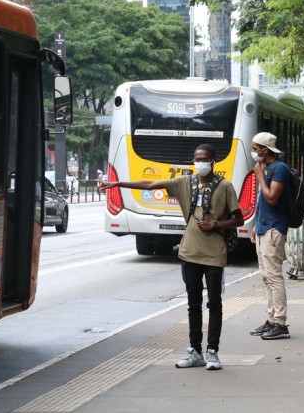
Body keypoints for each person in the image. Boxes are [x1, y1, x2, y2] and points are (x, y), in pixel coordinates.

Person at [99, 144, 243, 370]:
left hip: (214, 254)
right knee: (193, 305)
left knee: (214, 304)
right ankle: (195, 351)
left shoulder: (225, 187)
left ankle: (212, 352)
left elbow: (239, 219)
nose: (200, 163)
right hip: (189, 253)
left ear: (213, 161)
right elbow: (148, 184)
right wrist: (117, 184)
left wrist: (215, 224)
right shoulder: (185, 182)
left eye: (204, 159)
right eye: (197, 159)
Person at [248, 132, 293, 340]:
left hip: (274, 228)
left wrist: (259, 176)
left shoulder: (279, 169)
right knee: (266, 278)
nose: (253, 152)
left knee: (274, 277)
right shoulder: (265, 168)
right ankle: (272, 319)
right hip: (263, 227)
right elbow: (261, 202)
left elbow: (272, 199)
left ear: (265, 150)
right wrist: (255, 226)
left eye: (255, 148)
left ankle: (281, 323)